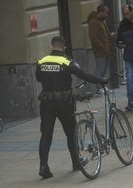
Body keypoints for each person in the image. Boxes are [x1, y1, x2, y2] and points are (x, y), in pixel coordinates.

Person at [36, 36, 108, 179]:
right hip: (64, 103)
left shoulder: (41, 61)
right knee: (71, 133)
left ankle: (43, 166)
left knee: (46, 135)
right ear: (64, 48)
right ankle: (76, 162)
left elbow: (39, 78)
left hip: (46, 103)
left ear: (51, 46)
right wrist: (101, 80)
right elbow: (84, 75)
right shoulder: (67, 61)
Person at [88, 4, 115, 94]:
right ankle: (99, 88)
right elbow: (94, 38)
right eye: (106, 13)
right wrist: (103, 47)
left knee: (104, 70)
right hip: (100, 51)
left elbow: (103, 35)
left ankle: (103, 86)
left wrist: (110, 35)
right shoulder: (94, 22)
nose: (107, 15)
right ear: (100, 12)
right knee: (100, 70)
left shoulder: (102, 21)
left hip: (106, 50)